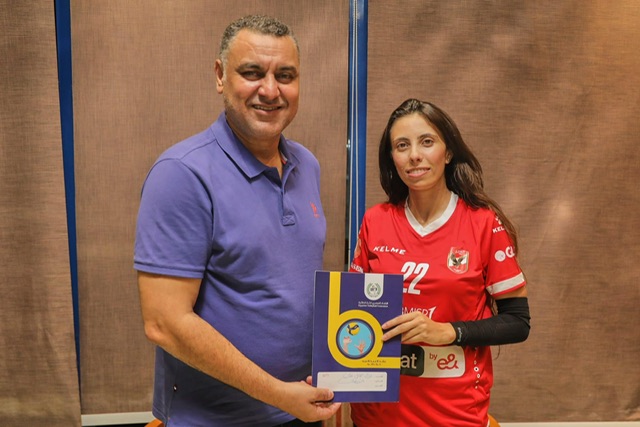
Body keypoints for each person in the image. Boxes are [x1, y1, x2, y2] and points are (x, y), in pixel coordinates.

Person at [134, 15, 340, 427]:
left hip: (303, 409)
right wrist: (279, 395)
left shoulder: (307, 165)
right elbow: (164, 324)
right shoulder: (182, 173)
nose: (270, 90)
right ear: (220, 76)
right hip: (215, 419)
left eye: (285, 75)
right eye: (252, 73)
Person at [349, 99, 531, 427]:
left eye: (426, 141)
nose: (414, 155)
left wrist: (447, 332)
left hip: (455, 413)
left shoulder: (482, 224)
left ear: (447, 153)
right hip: (377, 413)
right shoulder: (375, 221)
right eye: (402, 145)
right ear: (392, 158)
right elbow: (352, 316)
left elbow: (518, 322)